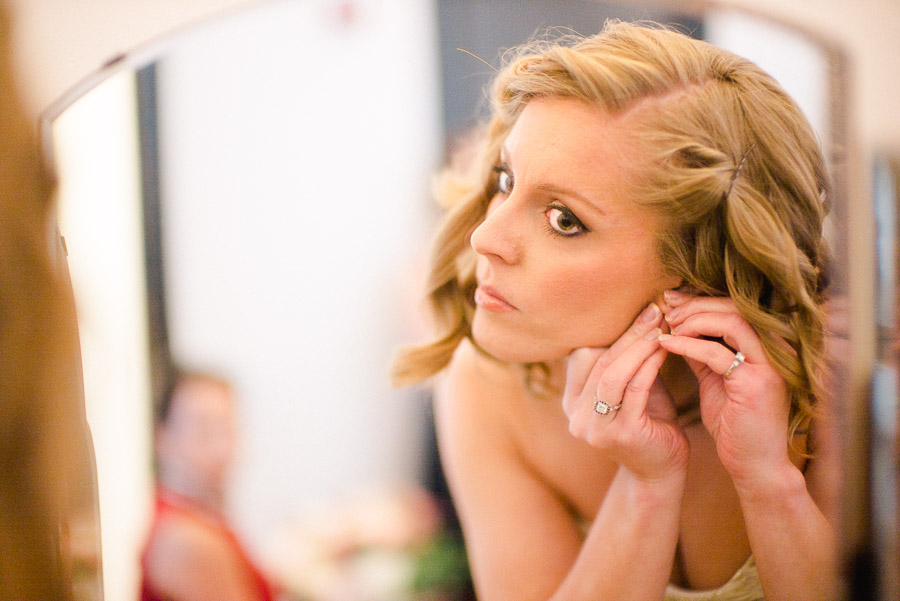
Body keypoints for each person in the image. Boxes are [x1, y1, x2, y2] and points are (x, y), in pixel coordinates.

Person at [392, 20, 837, 601]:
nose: (485, 237)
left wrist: (769, 483)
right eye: (507, 179)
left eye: (564, 219)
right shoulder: (488, 385)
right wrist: (647, 486)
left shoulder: (830, 383)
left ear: (693, 266)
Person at [140, 371, 280, 601]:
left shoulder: (202, 518)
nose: (221, 448)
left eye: (228, 429)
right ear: (162, 437)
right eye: (205, 432)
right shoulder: (185, 540)